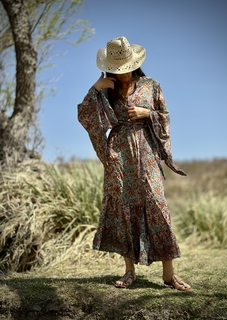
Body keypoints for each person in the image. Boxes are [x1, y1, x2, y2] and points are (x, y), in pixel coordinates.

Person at [77, 36, 192, 291]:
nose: (123, 73)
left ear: (134, 63)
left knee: (157, 205)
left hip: (147, 151)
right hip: (119, 153)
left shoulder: (151, 86)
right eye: (118, 69)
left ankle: (169, 274)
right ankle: (129, 271)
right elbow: (85, 116)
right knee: (122, 208)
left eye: (126, 67)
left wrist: (146, 113)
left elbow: (165, 117)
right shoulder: (105, 89)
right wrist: (95, 88)